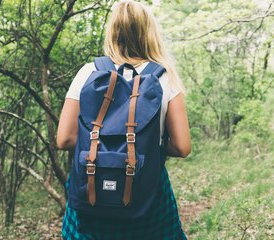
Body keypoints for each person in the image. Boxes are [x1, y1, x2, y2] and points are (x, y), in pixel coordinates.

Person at [56, 0, 191, 239]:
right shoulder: (165, 77)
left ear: (113, 31)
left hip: (91, 191)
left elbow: (65, 139)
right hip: (146, 195)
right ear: (149, 32)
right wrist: (153, 146)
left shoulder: (88, 73)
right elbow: (181, 147)